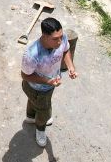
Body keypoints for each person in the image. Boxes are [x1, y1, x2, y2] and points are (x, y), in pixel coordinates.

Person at [21, 17, 77, 147]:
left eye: (60, 36)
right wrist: (47, 81)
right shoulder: (32, 54)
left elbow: (65, 50)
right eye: (55, 39)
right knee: (44, 112)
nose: (59, 41)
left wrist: (70, 67)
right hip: (36, 89)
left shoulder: (61, 38)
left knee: (34, 102)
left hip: (49, 85)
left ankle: (30, 117)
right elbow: (25, 75)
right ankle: (40, 130)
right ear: (44, 36)